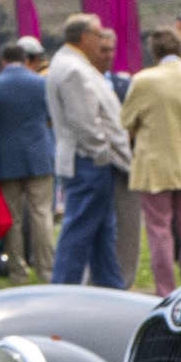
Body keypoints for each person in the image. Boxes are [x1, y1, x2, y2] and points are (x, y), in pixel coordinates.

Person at [44, 18, 133, 289]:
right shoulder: (74, 70)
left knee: (101, 232)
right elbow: (84, 121)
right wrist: (103, 154)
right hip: (89, 162)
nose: (101, 40)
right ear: (84, 37)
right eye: (97, 34)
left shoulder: (71, 65)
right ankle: (63, 290)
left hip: (88, 161)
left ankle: (110, 288)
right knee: (80, 231)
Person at [126, 23, 181, 282]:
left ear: (153, 50)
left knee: (159, 228)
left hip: (154, 163)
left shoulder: (143, 80)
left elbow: (127, 121)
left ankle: (165, 289)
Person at [0, 30, 60, 276]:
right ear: (25, 59)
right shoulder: (42, 84)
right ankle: (46, 268)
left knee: (12, 218)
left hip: (4, 160)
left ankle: (17, 269)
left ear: (3, 61)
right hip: (39, 156)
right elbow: (52, 118)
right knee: (42, 214)